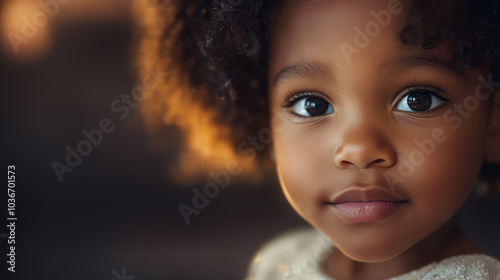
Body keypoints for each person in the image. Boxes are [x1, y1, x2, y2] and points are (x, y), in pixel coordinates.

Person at [136, 0, 500, 278]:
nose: (358, 150)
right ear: (263, 117)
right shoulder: (280, 260)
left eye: (418, 101)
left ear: (493, 125)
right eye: (312, 105)